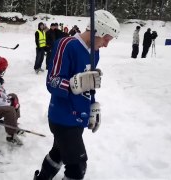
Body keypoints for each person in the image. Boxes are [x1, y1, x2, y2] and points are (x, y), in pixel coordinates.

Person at [34, 9, 120, 180]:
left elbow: (90, 84)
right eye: (106, 39)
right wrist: (74, 84)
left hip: (78, 117)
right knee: (77, 167)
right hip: (63, 117)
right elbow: (52, 81)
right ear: (98, 30)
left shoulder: (94, 53)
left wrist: (92, 107)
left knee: (58, 152)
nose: (106, 44)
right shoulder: (66, 45)